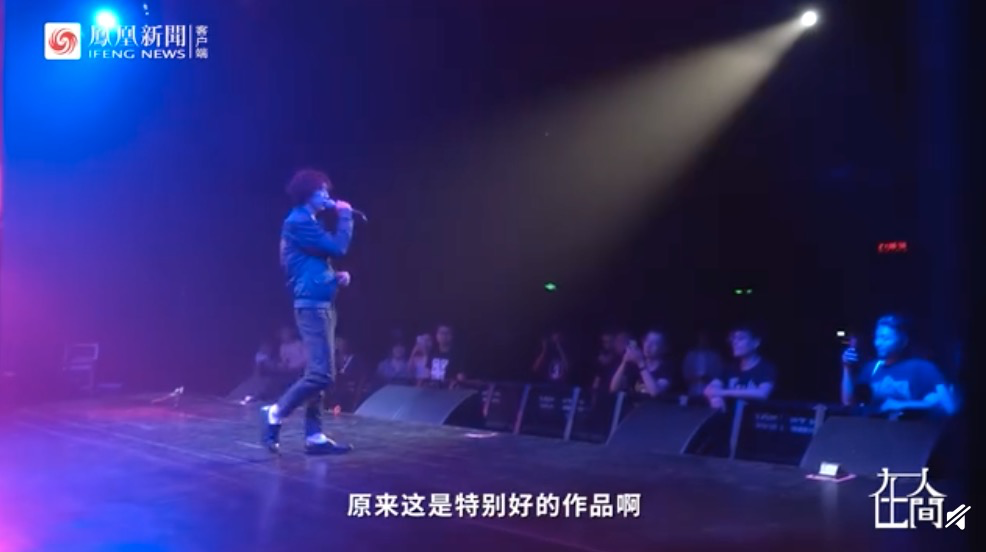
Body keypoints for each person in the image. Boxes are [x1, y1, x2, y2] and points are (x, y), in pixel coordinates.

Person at [261, 169, 355, 454]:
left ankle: (314, 436)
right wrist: (346, 215)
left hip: (320, 301)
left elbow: (307, 264)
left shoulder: (307, 221)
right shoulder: (299, 221)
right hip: (312, 305)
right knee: (322, 375)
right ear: (308, 194)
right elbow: (338, 247)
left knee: (320, 372)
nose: (327, 195)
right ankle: (276, 412)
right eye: (321, 191)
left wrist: (334, 277)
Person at [840, 314, 955, 417]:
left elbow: (950, 407)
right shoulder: (871, 368)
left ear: (903, 341)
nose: (878, 343)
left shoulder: (923, 368)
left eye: (886, 338)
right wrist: (847, 368)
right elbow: (849, 403)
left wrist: (903, 405)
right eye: (877, 337)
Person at [704, 325, 776, 409]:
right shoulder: (729, 368)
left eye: (740, 338)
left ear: (756, 343)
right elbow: (710, 388)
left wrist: (722, 392)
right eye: (733, 338)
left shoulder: (766, 368)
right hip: (732, 417)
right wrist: (714, 398)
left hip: (756, 416)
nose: (735, 342)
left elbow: (762, 393)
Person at [609, 331, 673, 397]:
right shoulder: (635, 365)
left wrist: (641, 363)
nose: (648, 346)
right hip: (634, 403)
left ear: (663, 348)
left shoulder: (667, 368)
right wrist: (624, 362)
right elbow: (614, 388)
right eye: (647, 341)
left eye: (654, 343)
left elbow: (655, 392)